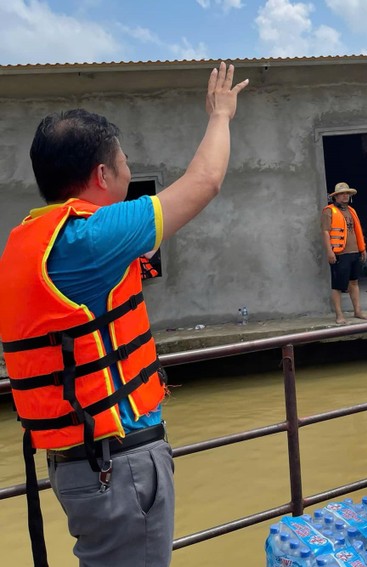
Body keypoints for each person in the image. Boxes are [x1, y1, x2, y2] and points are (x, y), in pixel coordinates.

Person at [0, 62, 248, 567]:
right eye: (125, 162)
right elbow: (205, 181)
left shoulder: (29, 240)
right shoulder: (92, 238)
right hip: (119, 465)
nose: (130, 173)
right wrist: (220, 116)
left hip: (82, 463)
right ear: (102, 175)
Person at [321, 181, 367, 324]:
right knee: (338, 285)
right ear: (335, 196)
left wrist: (362, 249)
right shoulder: (329, 211)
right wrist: (330, 252)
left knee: (354, 282)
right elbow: (325, 232)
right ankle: (339, 315)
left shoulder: (352, 211)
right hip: (340, 253)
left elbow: (357, 231)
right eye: (342, 193)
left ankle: (357, 311)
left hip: (354, 252)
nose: (345, 196)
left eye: (347, 193)